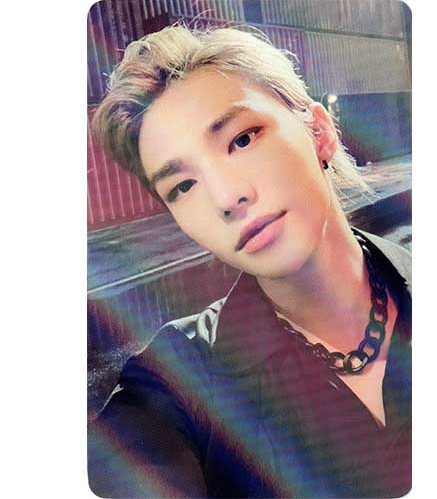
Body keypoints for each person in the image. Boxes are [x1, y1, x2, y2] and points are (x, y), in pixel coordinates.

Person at [88, 25, 411, 498]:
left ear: (319, 133)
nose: (225, 197)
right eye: (183, 186)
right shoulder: (177, 381)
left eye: (242, 139)